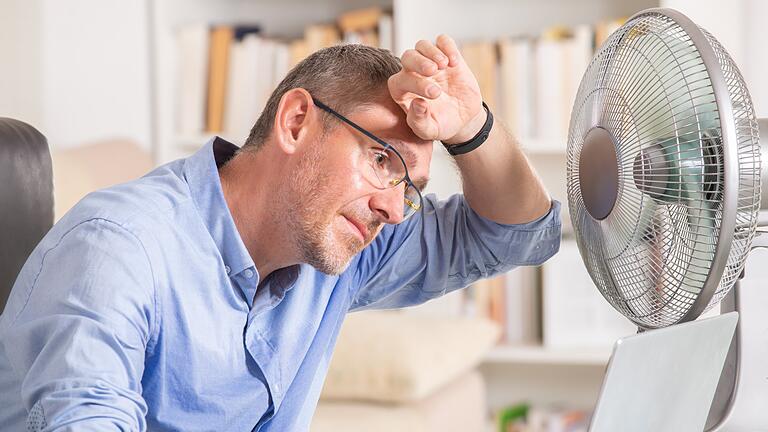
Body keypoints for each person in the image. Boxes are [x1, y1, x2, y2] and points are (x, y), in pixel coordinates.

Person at [0, 35, 560, 431]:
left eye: (410, 188)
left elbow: (518, 236)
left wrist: (472, 128)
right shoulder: (118, 249)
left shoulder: (335, 248)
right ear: (296, 122)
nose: (394, 209)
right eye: (382, 160)